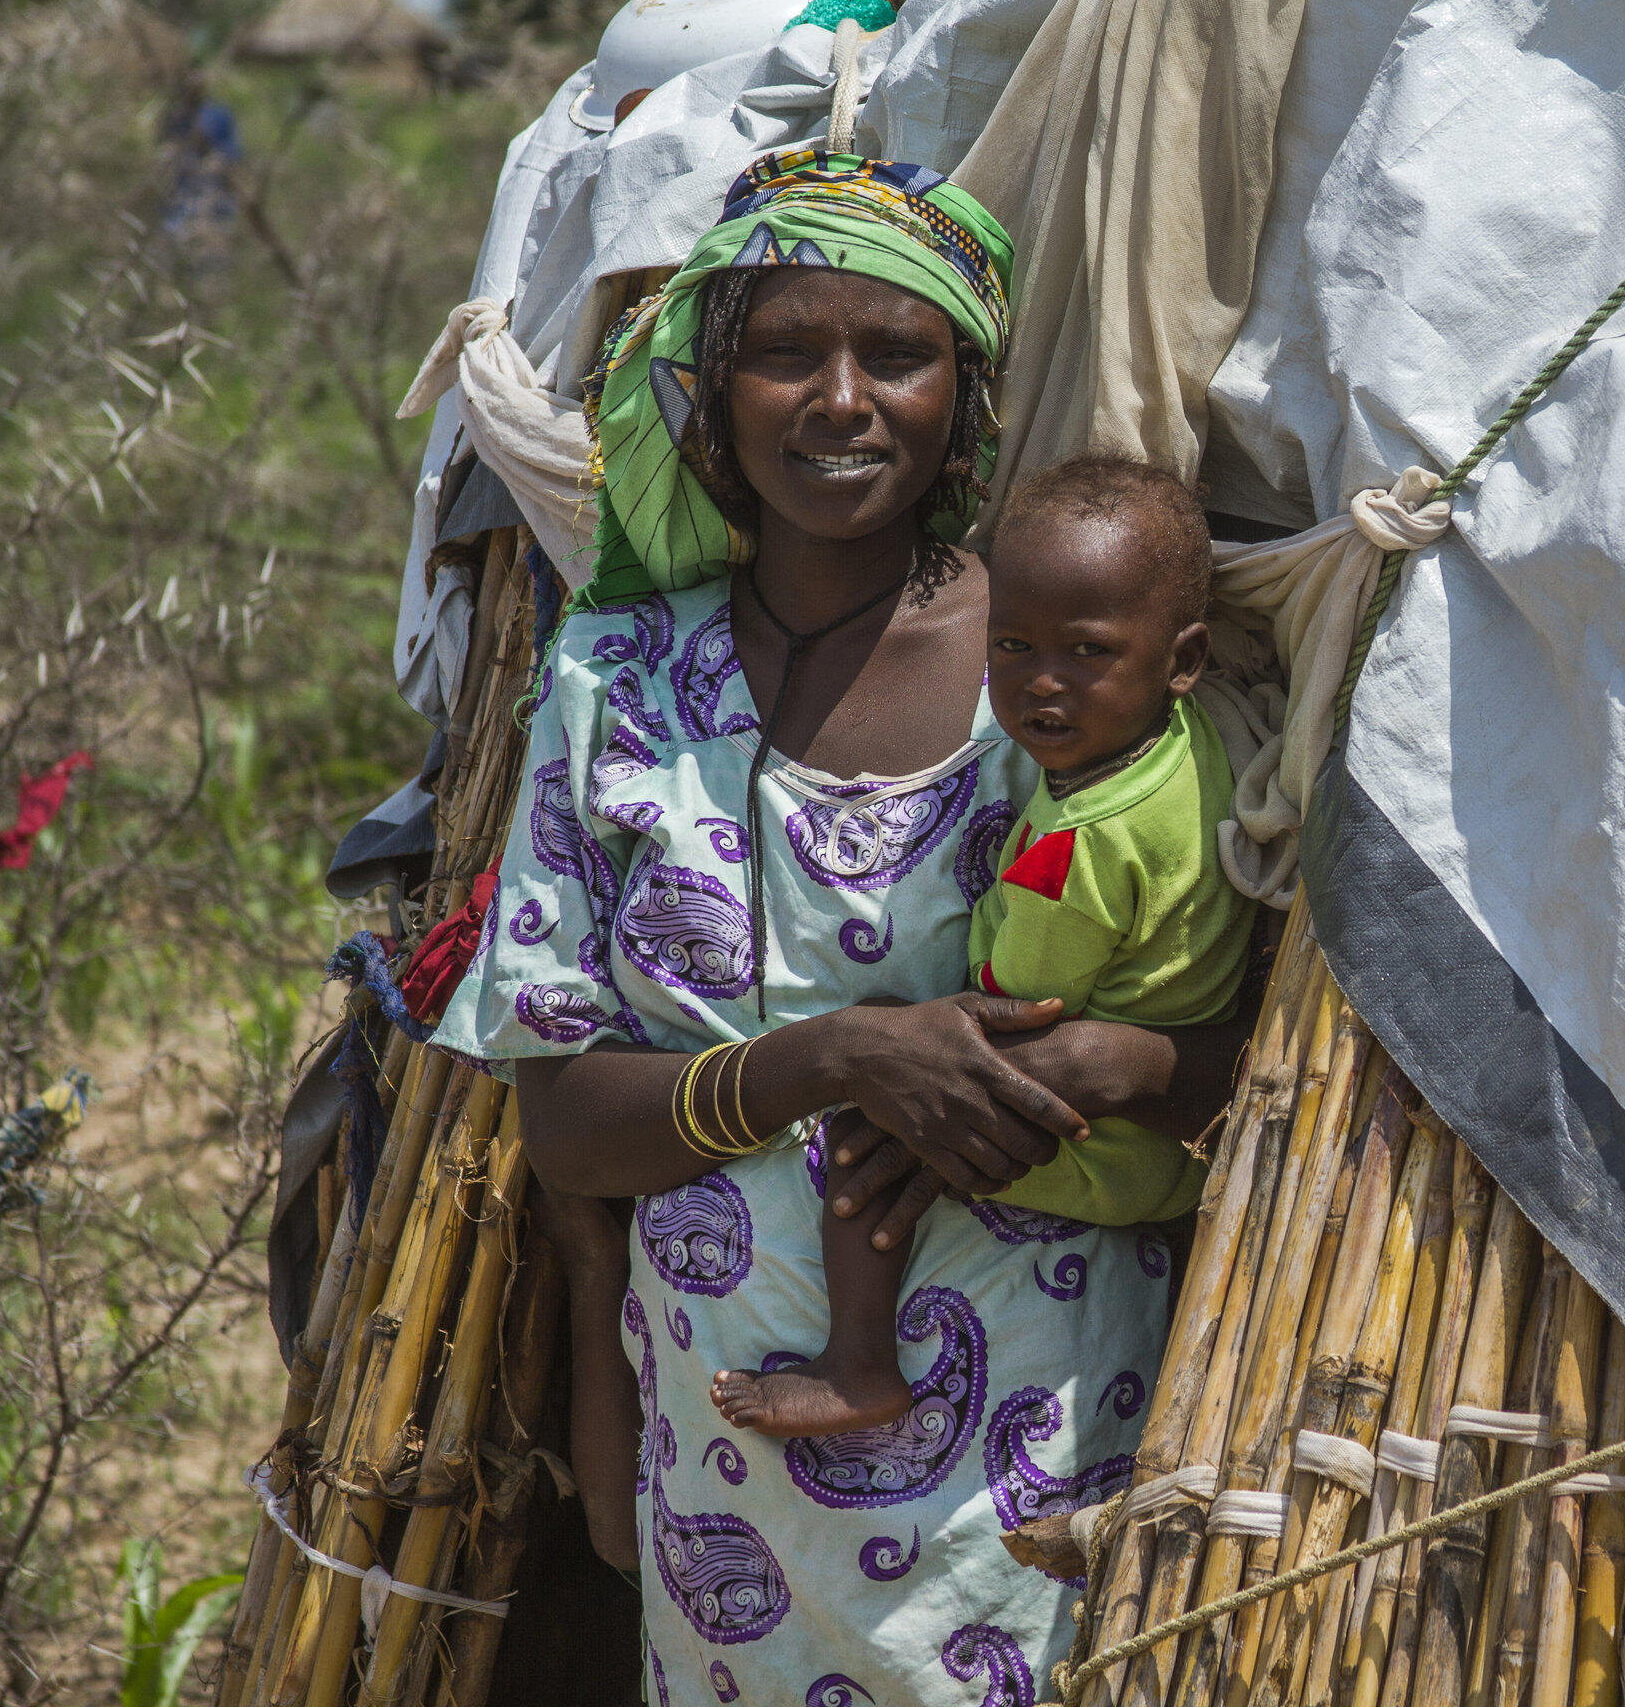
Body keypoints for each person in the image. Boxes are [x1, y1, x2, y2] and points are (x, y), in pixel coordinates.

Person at [431, 149, 1248, 1701]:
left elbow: (1230, 1056)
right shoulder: (617, 680)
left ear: (968, 391)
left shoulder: (1065, 680)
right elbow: (566, 1125)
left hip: (1039, 1445)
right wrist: (839, 1057)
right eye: (787, 353)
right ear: (713, 386)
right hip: (723, 1443)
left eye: (900, 353)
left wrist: (1113, 1061)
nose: (842, 399)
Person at [710, 455, 1253, 1438]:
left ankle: (859, 1363)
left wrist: (909, 1047)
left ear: (1182, 658)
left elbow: (1015, 1009)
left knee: (868, 1091)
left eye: (1087, 653)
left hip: (1105, 1151)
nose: (1043, 683)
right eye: (1013, 644)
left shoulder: (1069, 850)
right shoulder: (1187, 743)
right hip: (1174, 1135)